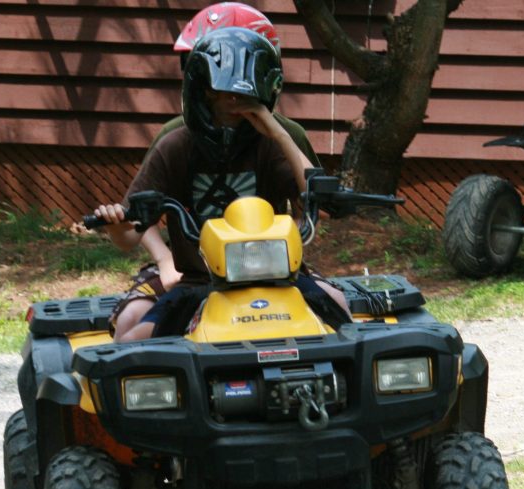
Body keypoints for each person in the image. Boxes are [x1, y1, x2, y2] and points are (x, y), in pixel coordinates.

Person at [94, 27, 347, 342]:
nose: (233, 101)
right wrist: (117, 226)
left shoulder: (273, 142)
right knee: (130, 341)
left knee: (339, 307)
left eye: (244, 93)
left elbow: (316, 201)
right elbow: (130, 234)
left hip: (275, 276)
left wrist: (278, 132)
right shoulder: (175, 145)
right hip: (198, 279)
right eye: (220, 90)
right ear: (201, 91)